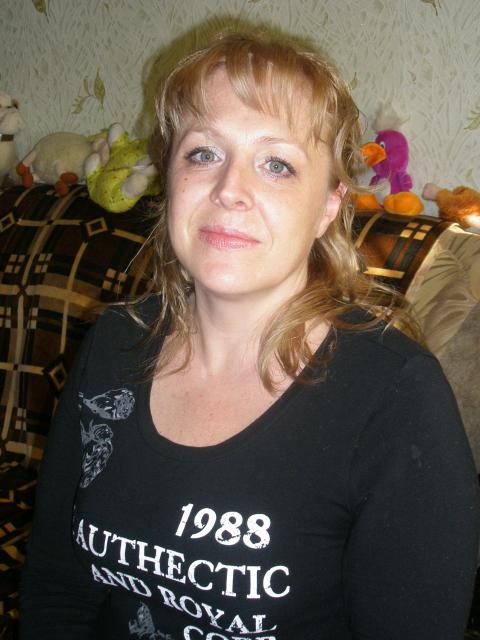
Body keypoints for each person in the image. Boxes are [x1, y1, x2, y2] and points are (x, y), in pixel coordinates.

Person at [20, 32, 480, 640]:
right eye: (204, 153)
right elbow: (57, 588)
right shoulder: (116, 340)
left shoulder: (396, 397)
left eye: (277, 164)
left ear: (328, 206)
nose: (229, 189)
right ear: (170, 179)